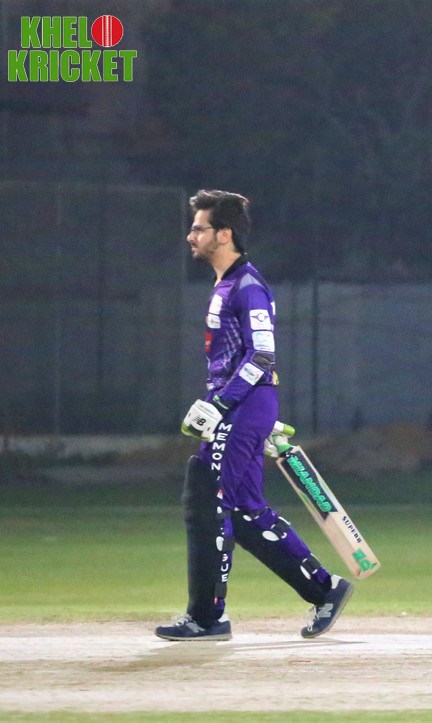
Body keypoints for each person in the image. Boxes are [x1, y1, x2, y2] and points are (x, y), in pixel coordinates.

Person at [155, 190, 354, 641]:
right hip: (245, 406)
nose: (191, 236)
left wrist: (225, 405)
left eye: (199, 228)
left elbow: (263, 354)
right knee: (243, 511)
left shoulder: (247, 285)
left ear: (224, 234)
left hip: (241, 406)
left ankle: (207, 618)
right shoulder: (228, 284)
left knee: (207, 498)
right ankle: (325, 589)